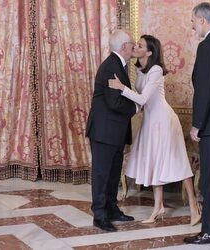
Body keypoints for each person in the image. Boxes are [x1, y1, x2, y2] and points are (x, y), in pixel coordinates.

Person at [108, 34, 201, 226]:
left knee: (179, 163)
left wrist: (121, 87)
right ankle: (158, 207)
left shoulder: (157, 70)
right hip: (150, 122)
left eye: (139, 45)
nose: (134, 47)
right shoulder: (141, 71)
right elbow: (142, 104)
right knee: (154, 163)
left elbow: (142, 99)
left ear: (149, 51)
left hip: (164, 121)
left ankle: (194, 206)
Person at [86, 30, 137, 232]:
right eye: (132, 44)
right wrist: (135, 107)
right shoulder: (111, 67)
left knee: (113, 173)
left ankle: (112, 209)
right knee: (102, 174)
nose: (133, 46)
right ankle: (99, 215)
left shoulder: (120, 65)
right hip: (104, 131)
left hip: (114, 131)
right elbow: (114, 102)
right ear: (124, 47)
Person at [183, 2, 210, 245]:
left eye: (192, 21)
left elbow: (205, 90)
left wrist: (197, 124)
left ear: (201, 20)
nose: (192, 25)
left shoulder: (208, 46)